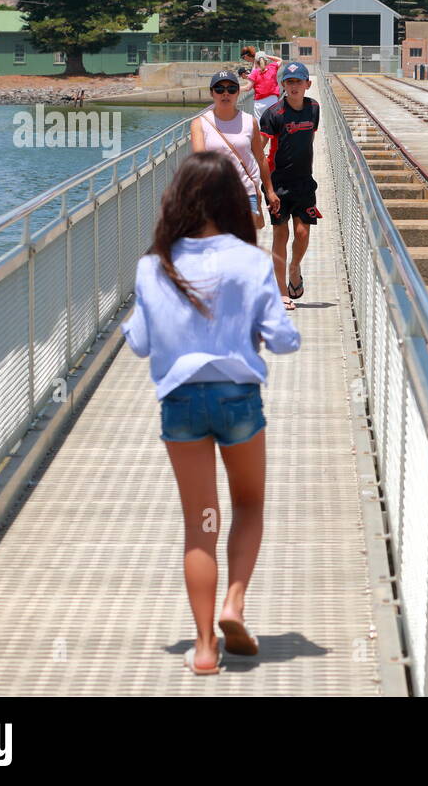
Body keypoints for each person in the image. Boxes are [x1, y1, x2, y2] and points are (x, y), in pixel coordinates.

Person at [121, 152, 300, 675]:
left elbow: (138, 342)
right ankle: (234, 604)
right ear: (230, 202)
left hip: (180, 402)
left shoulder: (154, 264)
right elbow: (283, 340)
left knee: (200, 524)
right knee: (248, 504)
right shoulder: (251, 260)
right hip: (237, 397)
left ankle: (202, 648)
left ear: (178, 199)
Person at [259, 61, 320, 309]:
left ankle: (295, 268)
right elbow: (260, 152)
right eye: (289, 82)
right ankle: (282, 290)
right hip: (278, 184)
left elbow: (309, 141)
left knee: (303, 232)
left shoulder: (314, 108)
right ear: (282, 85)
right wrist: (268, 189)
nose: (294, 87)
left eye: (298, 82)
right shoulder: (273, 114)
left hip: (305, 182)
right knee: (281, 234)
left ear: (308, 84)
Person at [191, 70, 279, 231]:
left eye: (231, 89)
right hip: (214, 194)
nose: (226, 94)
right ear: (212, 93)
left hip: (246, 193)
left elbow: (260, 159)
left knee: (243, 246)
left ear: (238, 92)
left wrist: (270, 192)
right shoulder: (199, 123)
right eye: (220, 90)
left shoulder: (249, 121)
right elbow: (200, 163)